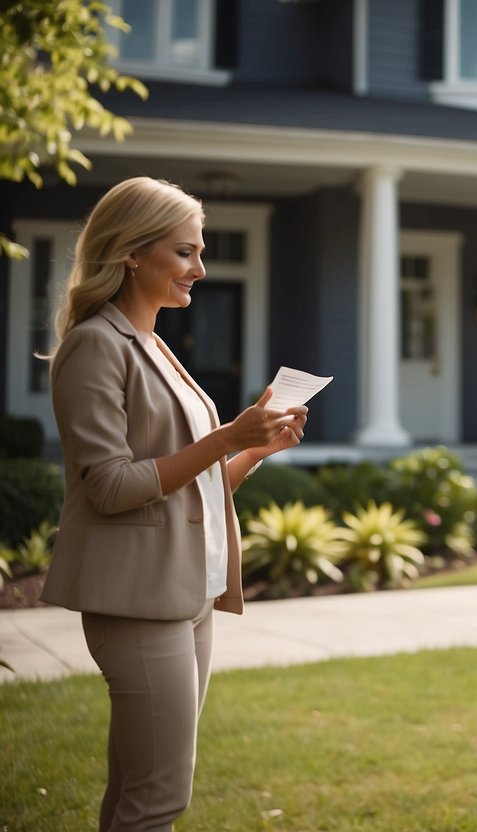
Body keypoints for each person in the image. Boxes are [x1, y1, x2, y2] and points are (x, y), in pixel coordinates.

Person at [40, 176, 309, 832]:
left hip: (188, 596)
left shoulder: (156, 344)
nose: (201, 268)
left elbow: (189, 486)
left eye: (201, 250)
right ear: (133, 253)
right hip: (138, 605)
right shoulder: (96, 346)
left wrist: (252, 451)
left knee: (136, 790)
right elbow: (107, 487)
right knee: (158, 800)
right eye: (185, 252)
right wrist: (225, 437)